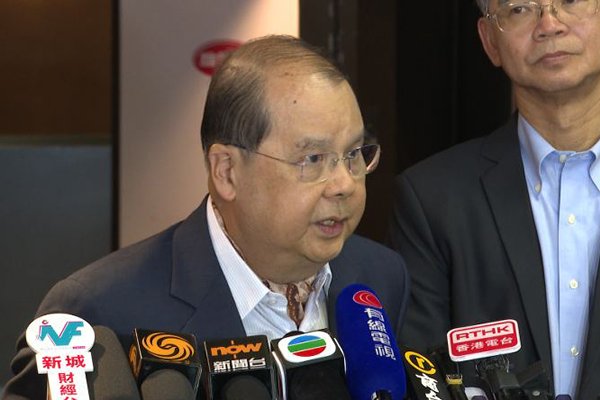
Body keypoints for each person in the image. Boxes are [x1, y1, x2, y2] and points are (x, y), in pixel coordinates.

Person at [3, 35, 409, 398]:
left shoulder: (380, 276)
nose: (344, 184)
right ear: (226, 172)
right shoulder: (98, 311)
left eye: (354, 154)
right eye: (313, 159)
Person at [389, 0, 600, 398]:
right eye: (520, 9)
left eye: (570, 1)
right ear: (489, 41)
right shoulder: (432, 200)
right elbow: (423, 378)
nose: (549, 24)